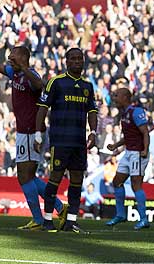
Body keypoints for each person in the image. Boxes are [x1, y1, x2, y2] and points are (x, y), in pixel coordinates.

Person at [0, 31, 66, 230]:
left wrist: (23, 67)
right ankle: (58, 208)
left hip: (32, 131)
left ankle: (40, 220)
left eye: (14, 54)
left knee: (24, 177)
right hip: (23, 132)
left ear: (23, 58)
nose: (10, 58)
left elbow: (41, 86)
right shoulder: (15, 73)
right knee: (27, 177)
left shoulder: (31, 76)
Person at [35, 48, 98, 233]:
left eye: (80, 59)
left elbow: (92, 111)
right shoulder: (56, 82)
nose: (77, 62)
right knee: (55, 177)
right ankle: (47, 219)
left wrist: (93, 132)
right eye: (73, 59)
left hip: (79, 142)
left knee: (77, 179)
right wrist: (39, 134)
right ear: (66, 61)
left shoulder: (88, 86)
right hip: (60, 140)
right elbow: (42, 107)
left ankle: (70, 221)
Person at [105, 88, 150, 230]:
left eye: (117, 95)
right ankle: (121, 215)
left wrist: (145, 150)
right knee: (117, 181)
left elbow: (145, 133)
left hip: (137, 153)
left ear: (125, 97)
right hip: (129, 152)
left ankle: (143, 219)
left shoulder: (136, 112)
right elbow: (130, 135)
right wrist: (116, 145)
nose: (114, 98)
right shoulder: (124, 114)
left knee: (136, 184)